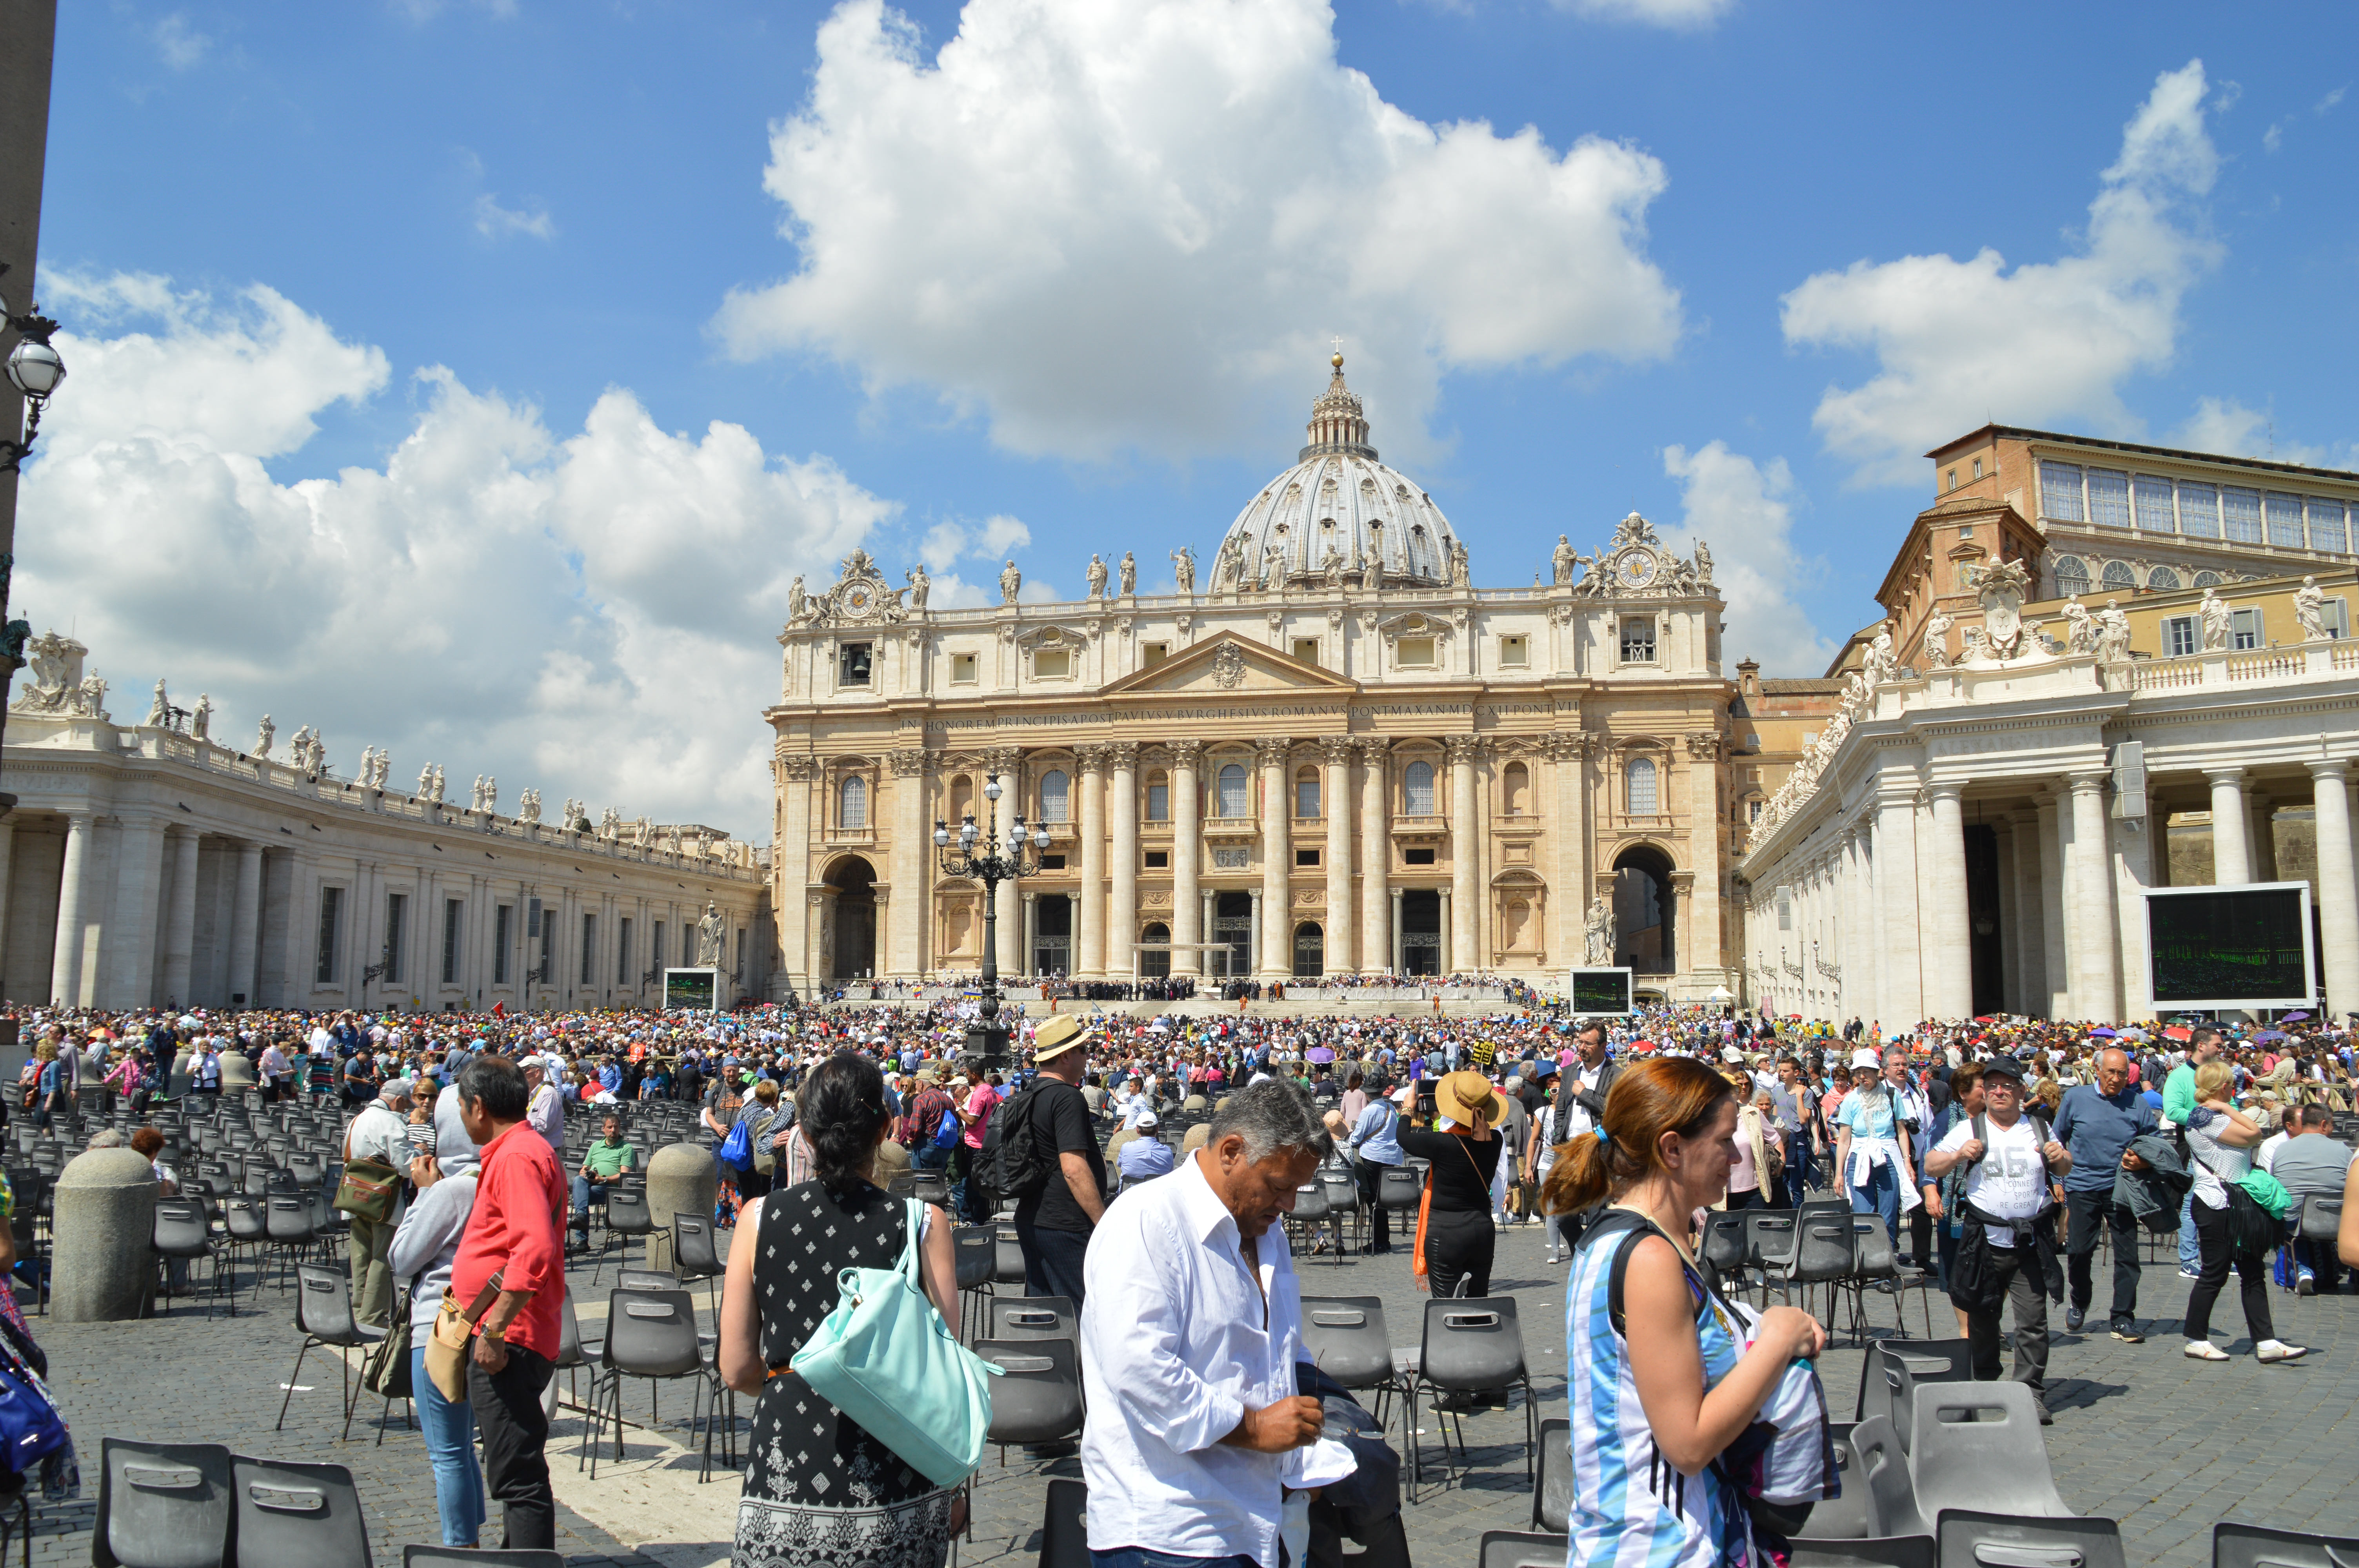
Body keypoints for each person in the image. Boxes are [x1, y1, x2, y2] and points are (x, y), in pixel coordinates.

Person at [1547, 1054, 1828, 1568]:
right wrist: (1778, 1340)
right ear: (1672, 1149)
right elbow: (1687, 1443)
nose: (1735, 1155)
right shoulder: (1648, 1257)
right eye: (1723, 1141)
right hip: (1660, 1546)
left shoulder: (1641, 1240)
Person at [1079, 1079, 1346, 1568]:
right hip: (1172, 1532)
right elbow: (1139, 1369)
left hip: (1257, 1519)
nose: (1289, 1204)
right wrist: (1255, 1427)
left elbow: (1279, 1347)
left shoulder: (1267, 1231)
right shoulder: (1147, 1220)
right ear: (1231, 1152)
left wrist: (1301, 1448)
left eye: (1296, 1189)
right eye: (1279, 1186)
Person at [718, 1051, 961, 1568]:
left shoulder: (757, 1218)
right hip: (897, 1478)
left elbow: (736, 1368)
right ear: (885, 1128)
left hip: (785, 1470)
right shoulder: (924, 1223)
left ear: (804, 1131)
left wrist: (795, 1382)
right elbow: (946, 1370)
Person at [450, 1054, 567, 1551]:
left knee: (517, 1474)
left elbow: (533, 1248)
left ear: (478, 1106)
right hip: (515, 1331)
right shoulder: (520, 1149)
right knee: (513, 1466)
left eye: (460, 1106)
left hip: (511, 1337)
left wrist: (495, 1329)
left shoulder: (517, 1156)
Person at [1923, 1054, 2068, 1421]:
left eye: (2007, 1086)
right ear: (1985, 1092)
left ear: (2021, 1091)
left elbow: (2065, 1166)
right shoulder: (1970, 1128)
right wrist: (1958, 1155)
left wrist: (2059, 1156)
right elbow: (1931, 1164)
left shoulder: (2039, 1127)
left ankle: (2030, 1392)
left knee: (2033, 1322)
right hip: (1984, 1241)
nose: (1999, 1092)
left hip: (2030, 1241)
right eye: (1992, 1086)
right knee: (1983, 1318)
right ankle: (1986, 1380)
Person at [389, 1119, 485, 1550]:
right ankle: (472, 1537)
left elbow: (402, 1258)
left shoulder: (452, 1191)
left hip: (438, 1326)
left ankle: (461, 1547)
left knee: (446, 1452)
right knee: (462, 1445)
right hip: (476, 1321)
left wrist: (424, 1193)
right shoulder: (492, 1183)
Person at [2180, 1060, 2305, 1363]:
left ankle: (2266, 1341)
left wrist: (2226, 1109)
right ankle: (2196, 1339)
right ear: (2224, 1087)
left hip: (2233, 1202)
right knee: (2215, 1272)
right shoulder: (2206, 1117)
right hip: (2215, 1203)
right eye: (2231, 1086)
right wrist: (2228, 1108)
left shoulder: (2211, 1114)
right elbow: (2254, 1134)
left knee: (2252, 1271)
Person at [2052, 1047, 2157, 1339]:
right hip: (2082, 1185)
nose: (2116, 1078)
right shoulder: (2076, 1098)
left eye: (2122, 1073)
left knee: (2128, 1255)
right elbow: (2056, 1139)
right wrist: (2057, 1178)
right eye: (2111, 1072)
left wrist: (2143, 1160)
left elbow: (2153, 1141)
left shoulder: (2137, 1102)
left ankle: (2122, 1317)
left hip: (2122, 1188)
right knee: (2079, 1250)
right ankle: (2079, 1300)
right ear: (2097, 1070)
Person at [1014, 1016, 1106, 1308]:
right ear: (1065, 1056)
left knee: (1044, 1312)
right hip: (1064, 1222)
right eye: (1083, 1050)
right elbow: (1073, 1169)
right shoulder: (1067, 1097)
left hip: (1031, 1217)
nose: (1087, 1057)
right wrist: (1103, 1222)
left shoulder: (1030, 1093)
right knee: (1082, 1312)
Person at [1398, 1070, 1506, 1299]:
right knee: (1479, 1304)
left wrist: (1408, 1108)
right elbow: (1478, 1133)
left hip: (1446, 1230)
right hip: (1482, 1228)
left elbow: (1403, 1137)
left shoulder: (1441, 1143)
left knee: (1446, 1309)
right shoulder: (1495, 1141)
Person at [1539, 1020, 1620, 1263]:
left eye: (1588, 1044)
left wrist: (1584, 1094)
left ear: (1603, 1046)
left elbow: (1614, 1111)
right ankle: (1581, 1254)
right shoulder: (1571, 1071)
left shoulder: (1616, 1075)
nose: (1582, 1047)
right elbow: (1561, 1109)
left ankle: (1594, 1264)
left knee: (1597, 1214)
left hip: (1598, 1152)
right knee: (1563, 1215)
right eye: (1580, 1042)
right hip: (1569, 1150)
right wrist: (1558, 1139)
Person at [343, 1077, 414, 1329]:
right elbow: (405, 1166)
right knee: (382, 1258)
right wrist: (419, 1153)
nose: (405, 1111)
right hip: (383, 1198)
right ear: (398, 1101)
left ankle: (359, 1310)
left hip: (355, 1194)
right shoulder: (391, 1122)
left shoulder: (357, 1119)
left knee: (361, 1256)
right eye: (405, 1105)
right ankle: (372, 1316)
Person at [1833, 1047, 1915, 1250]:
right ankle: (1866, 1259)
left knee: (1888, 1216)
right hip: (1859, 1158)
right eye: (1858, 1072)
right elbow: (1844, 1140)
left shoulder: (1892, 1096)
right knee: (1863, 1216)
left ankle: (1887, 1259)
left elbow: (1901, 1131)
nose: (1862, 1076)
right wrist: (1839, 1173)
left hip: (1888, 1158)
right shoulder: (1850, 1100)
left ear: (1877, 1072)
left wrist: (1907, 1161)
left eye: (1867, 1071)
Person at [2271, 1105, 2356, 1293]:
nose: (2333, 1129)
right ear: (2324, 1124)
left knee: (2290, 1219)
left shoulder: (2282, 1149)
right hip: (2337, 1223)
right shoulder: (2342, 1150)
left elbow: (2276, 1187)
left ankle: (2303, 1270)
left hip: (2296, 1222)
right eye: (2332, 1124)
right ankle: (2355, 1277)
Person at [1347, 1082, 1406, 1255]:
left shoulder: (1368, 1111)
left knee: (1374, 1199)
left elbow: (1357, 1137)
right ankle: (1384, 1238)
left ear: (1367, 1094)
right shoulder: (1390, 1108)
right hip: (1389, 1157)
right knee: (1382, 1199)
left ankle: (1380, 1240)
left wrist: (1350, 1139)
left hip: (1372, 1157)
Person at [570, 1115, 638, 1247]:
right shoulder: (596, 1146)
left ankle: (582, 1239)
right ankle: (581, 1217)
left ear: (619, 1128)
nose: (613, 1130)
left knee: (581, 1197)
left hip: (610, 1188)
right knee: (579, 1179)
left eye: (616, 1127)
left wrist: (603, 1179)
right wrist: (585, 1173)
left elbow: (624, 1175)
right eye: (610, 1127)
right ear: (603, 1129)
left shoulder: (626, 1148)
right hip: (591, 1184)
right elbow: (584, 1169)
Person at [954, 1062, 1000, 1223]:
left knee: (976, 1186)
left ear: (974, 1075)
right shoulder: (990, 1090)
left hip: (976, 1145)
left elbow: (972, 1121)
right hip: (985, 1142)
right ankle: (980, 1219)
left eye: (967, 1075)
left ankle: (978, 1221)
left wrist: (958, 1109)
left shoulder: (980, 1093)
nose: (967, 1078)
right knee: (979, 1185)